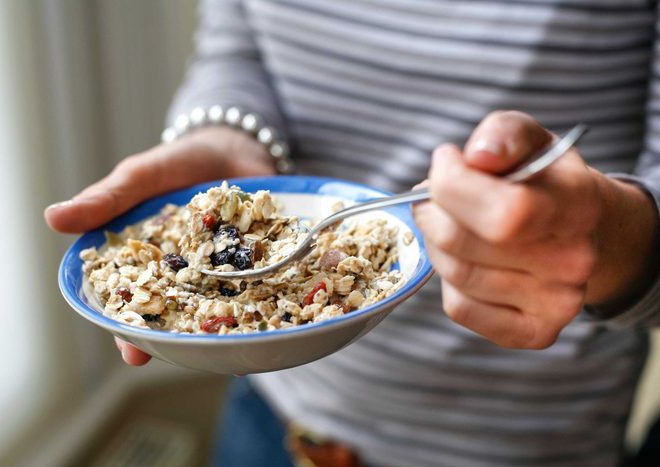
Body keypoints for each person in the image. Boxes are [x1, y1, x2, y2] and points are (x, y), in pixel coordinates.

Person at [45, 1, 660, 466]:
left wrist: (615, 240)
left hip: (521, 437)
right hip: (275, 411)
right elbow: (238, 46)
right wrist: (225, 136)